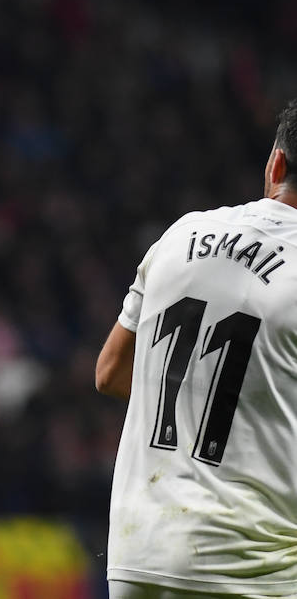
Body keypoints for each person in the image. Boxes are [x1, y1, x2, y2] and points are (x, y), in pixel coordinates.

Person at [96, 98, 297, 599]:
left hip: (137, 560)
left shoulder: (181, 233)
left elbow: (111, 372)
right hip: (254, 567)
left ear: (275, 163)